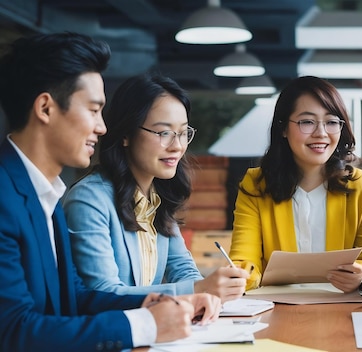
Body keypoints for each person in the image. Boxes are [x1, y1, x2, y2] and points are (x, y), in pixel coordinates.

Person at [0, 32, 220, 351]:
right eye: (93, 110)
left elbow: (74, 297)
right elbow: (13, 330)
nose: (102, 127)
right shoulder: (6, 199)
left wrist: (155, 302)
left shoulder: (44, 195)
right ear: (46, 108)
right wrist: (145, 325)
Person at [62, 72, 248, 302]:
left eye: (182, 133)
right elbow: (103, 294)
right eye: (164, 133)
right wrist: (199, 290)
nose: (177, 146)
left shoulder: (156, 196)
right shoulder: (89, 200)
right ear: (126, 134)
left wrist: (207, 294)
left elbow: (182, 269)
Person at [228, 75, 362, 292]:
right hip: (275, 311)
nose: (321, 133)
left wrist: (360, 274)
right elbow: (244, 260)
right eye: (307, 122)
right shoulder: (256, 184)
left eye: (331, 122)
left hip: (343, 311)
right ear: (283, 128)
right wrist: (240, 276)